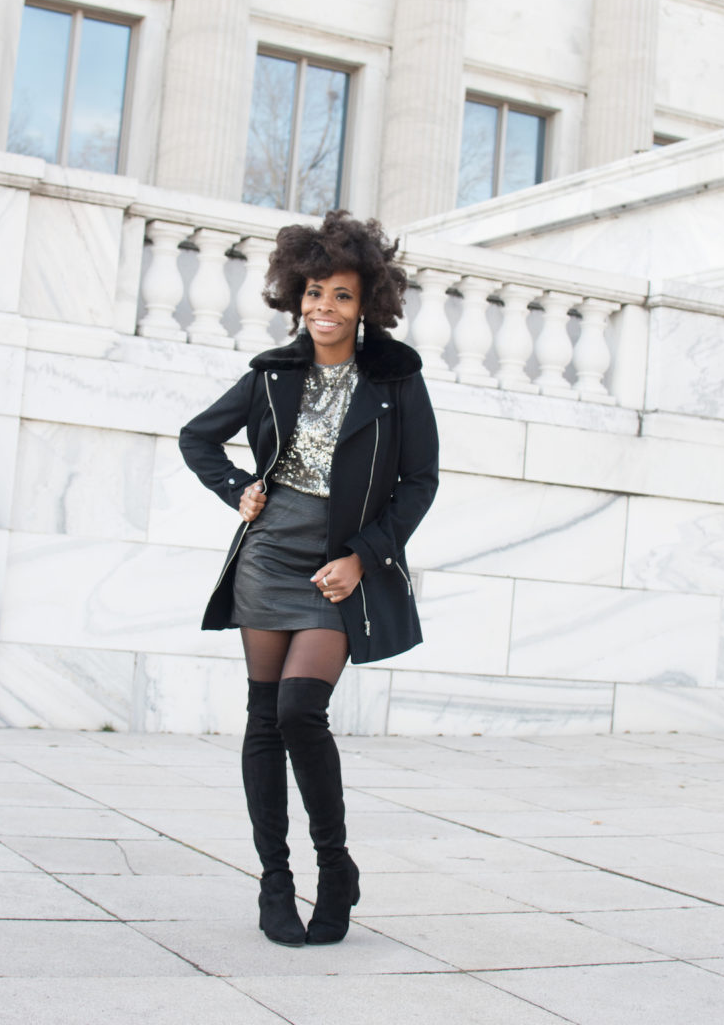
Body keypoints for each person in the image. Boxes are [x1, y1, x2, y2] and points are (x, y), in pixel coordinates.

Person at [179, 210, 438, 947]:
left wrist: (364, 555)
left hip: (337, 565)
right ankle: (274, 883)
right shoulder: (273, 373)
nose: (324, 307)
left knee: (300, 709)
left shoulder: (395, 377)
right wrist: (236, 487)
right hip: (268, 557)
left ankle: (335, 867)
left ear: (368, 305)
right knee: (265, 719)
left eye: (342, 296)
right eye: (314, 292)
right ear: (297, 293)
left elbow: (420, 481)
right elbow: (197, 435)